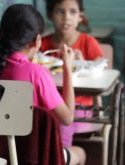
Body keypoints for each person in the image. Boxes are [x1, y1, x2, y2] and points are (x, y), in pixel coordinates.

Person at [0, 4, 85, 165]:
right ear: (37, 40)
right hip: (36, 155)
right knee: (80, 153)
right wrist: (67, 68)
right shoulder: (37, 73)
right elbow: (67, 118)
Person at [41, 0, 103, 151]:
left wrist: (83, 65)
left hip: (81, 107)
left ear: (81, 16)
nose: (66, 17)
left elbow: (100, 75)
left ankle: (62, 157)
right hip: (49, 105)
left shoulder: (88, 42)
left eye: (72, 12)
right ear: (50, 15)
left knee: (61, 121)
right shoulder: (42, 45)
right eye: (60, 11)